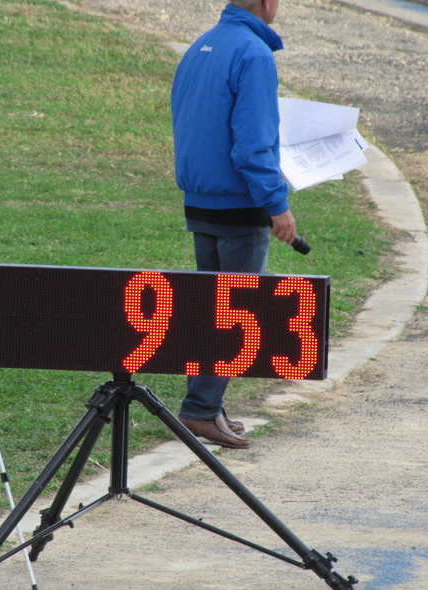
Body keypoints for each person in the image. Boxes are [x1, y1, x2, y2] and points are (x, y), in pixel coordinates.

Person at [170, 0, 297, 448]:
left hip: (200, 203)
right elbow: (252, 145)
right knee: (234, 313)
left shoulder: (202, 45)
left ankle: (207, 405)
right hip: (239, 208)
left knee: (210, 309)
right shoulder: (254, 54)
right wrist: (276, 204)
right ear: (265, 2)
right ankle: (200, 411)